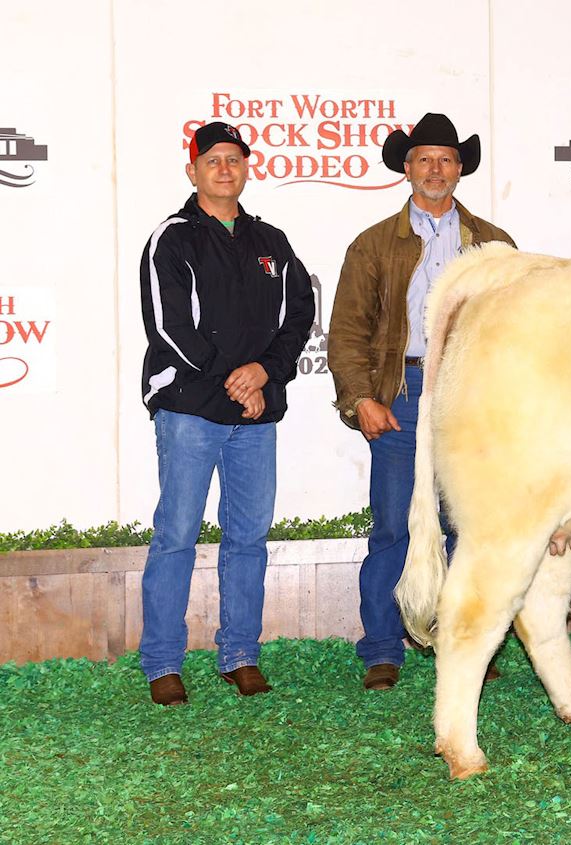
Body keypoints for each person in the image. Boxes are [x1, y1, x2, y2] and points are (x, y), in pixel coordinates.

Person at [328, 113, 517, 691]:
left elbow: (514, 336)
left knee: (472, 527)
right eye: (424, 160)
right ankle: (382, 647)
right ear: (406, 169)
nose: (435, 170)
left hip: (471, 399)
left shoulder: (495, 245)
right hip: (402, 397)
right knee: (392, 526)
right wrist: (360, 398)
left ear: (460, 169)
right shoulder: (373, 245)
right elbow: (347, 331)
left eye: (446, 160)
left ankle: (468, 646)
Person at [136, 121, 315, 705]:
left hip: (256, 413)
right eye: (211, 159)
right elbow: (169, 326)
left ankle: (240, 654)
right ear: (192, 170)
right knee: (177, 535)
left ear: (245, 169)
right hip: (190, 407)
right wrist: (235, 381)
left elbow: (298, 318)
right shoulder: (174, 237)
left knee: (248, 537)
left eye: (233, 158)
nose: (223, 168)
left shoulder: (272, 242)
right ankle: (163, 661)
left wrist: (265, 372)